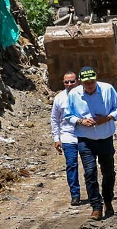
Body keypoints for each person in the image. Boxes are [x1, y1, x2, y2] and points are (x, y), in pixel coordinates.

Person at [65, 66, 117, 221]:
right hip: (85, 139)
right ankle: (96, 206)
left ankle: (108, 201)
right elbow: (68, 115)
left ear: (96, 79)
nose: (89, 85)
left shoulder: (107, 89)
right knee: (90, 172)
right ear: (80, 82)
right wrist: (81, 121)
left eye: (92, 82)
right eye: (86, 83)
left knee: (108, 172)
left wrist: (108, 118)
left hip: (105, 137)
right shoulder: (74, 94)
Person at [50, 71, 81, 206]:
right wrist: (56, 138)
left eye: (72, 81)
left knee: (90, 167)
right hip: (67, 136)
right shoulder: (59, 98)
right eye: (66, 82)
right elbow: (55, 119)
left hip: (85, 136)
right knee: (71, 165)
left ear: (78, 81)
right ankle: (75, 195)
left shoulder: (84, 95)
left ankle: (94, 193)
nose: (69, 84)